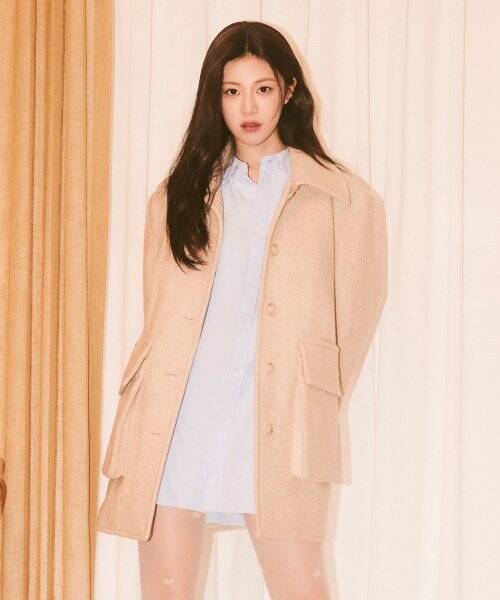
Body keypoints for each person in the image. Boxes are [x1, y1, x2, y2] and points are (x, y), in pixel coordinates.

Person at [101, 20, 388, 600]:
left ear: (288, 90)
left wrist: (309, 399)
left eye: (262, 88)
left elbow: (353, 322)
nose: (248, 107)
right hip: (175, 421)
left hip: (278, 424)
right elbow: (159, 315)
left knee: (302, 590)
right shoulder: (177, 197)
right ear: (215, 98)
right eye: (232, 91)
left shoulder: (342, 200)